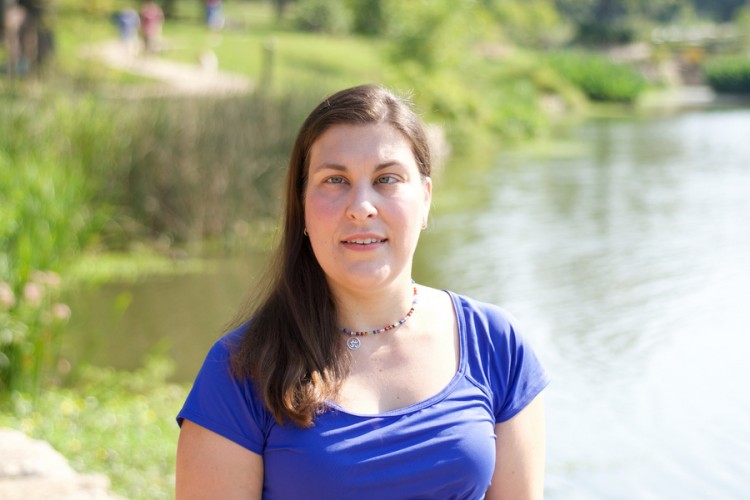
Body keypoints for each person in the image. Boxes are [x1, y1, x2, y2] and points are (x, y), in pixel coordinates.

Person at [175, 84, 549, 499]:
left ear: (424, 199)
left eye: (386, 179)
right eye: (335, 180)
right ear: (301, 206)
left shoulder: (495, 344)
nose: (361, 206)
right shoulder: (242, 368)